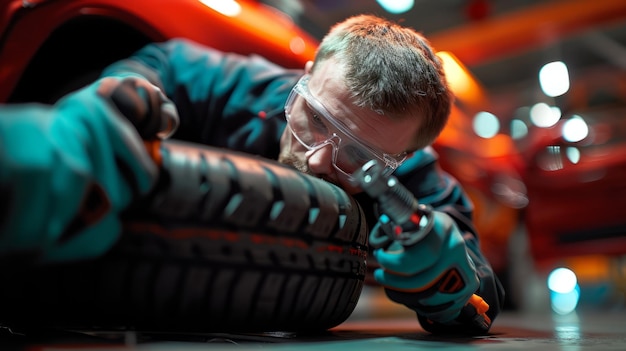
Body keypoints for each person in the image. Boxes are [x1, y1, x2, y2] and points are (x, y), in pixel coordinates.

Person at [0, 14, 504, 334]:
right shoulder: (237, 84)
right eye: (315, 120)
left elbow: (478, 284)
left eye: (359, 157)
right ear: (304, 79)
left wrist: (451, 279)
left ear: (403, 156)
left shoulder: (410, 170)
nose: (316, 162)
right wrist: (124, 96)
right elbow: (158, 63)